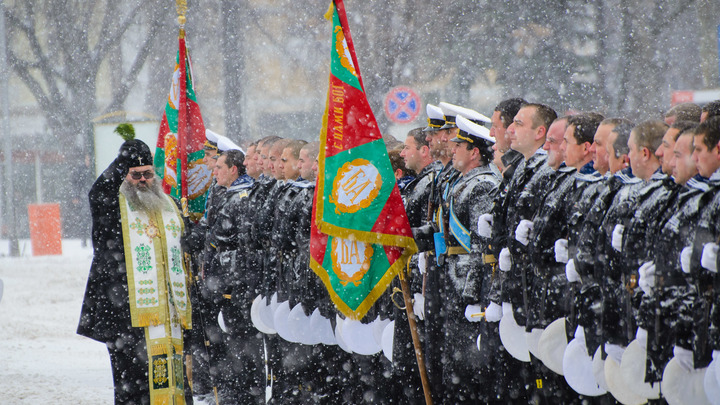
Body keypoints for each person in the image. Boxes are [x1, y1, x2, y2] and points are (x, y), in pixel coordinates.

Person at [77, 129, 193, 404]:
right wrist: (122, 163)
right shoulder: (113, 206)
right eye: (135, 174)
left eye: (148, 174)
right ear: (123, 174)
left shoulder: (168, 205)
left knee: (171, 375)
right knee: (132, 379)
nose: (143, 180)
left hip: (165, 312)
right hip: (123, 309)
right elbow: (99, 190)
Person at [441, 115, 501, 403]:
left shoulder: (482, 185)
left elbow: (481, 246)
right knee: (454, 364)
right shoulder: (464, 182)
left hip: (468, 283)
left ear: (474, 152)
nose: (452, 150)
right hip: (454, 278)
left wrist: (473, 294)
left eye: (459, 145)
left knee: (468, 366)